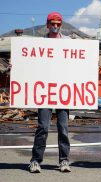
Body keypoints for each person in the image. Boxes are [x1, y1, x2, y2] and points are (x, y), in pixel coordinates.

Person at [29, 12, 71, 173]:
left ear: (61, 25)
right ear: (47, 25)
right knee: (43, 127)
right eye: (52, 23)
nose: (55, 26)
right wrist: (16, 66)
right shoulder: (40, 43)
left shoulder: (69, 43)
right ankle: (35, 161)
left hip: (64, 93)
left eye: (58, 24)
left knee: (63, 128)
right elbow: (30, 65)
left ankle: (64, 160)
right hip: (45, 92)